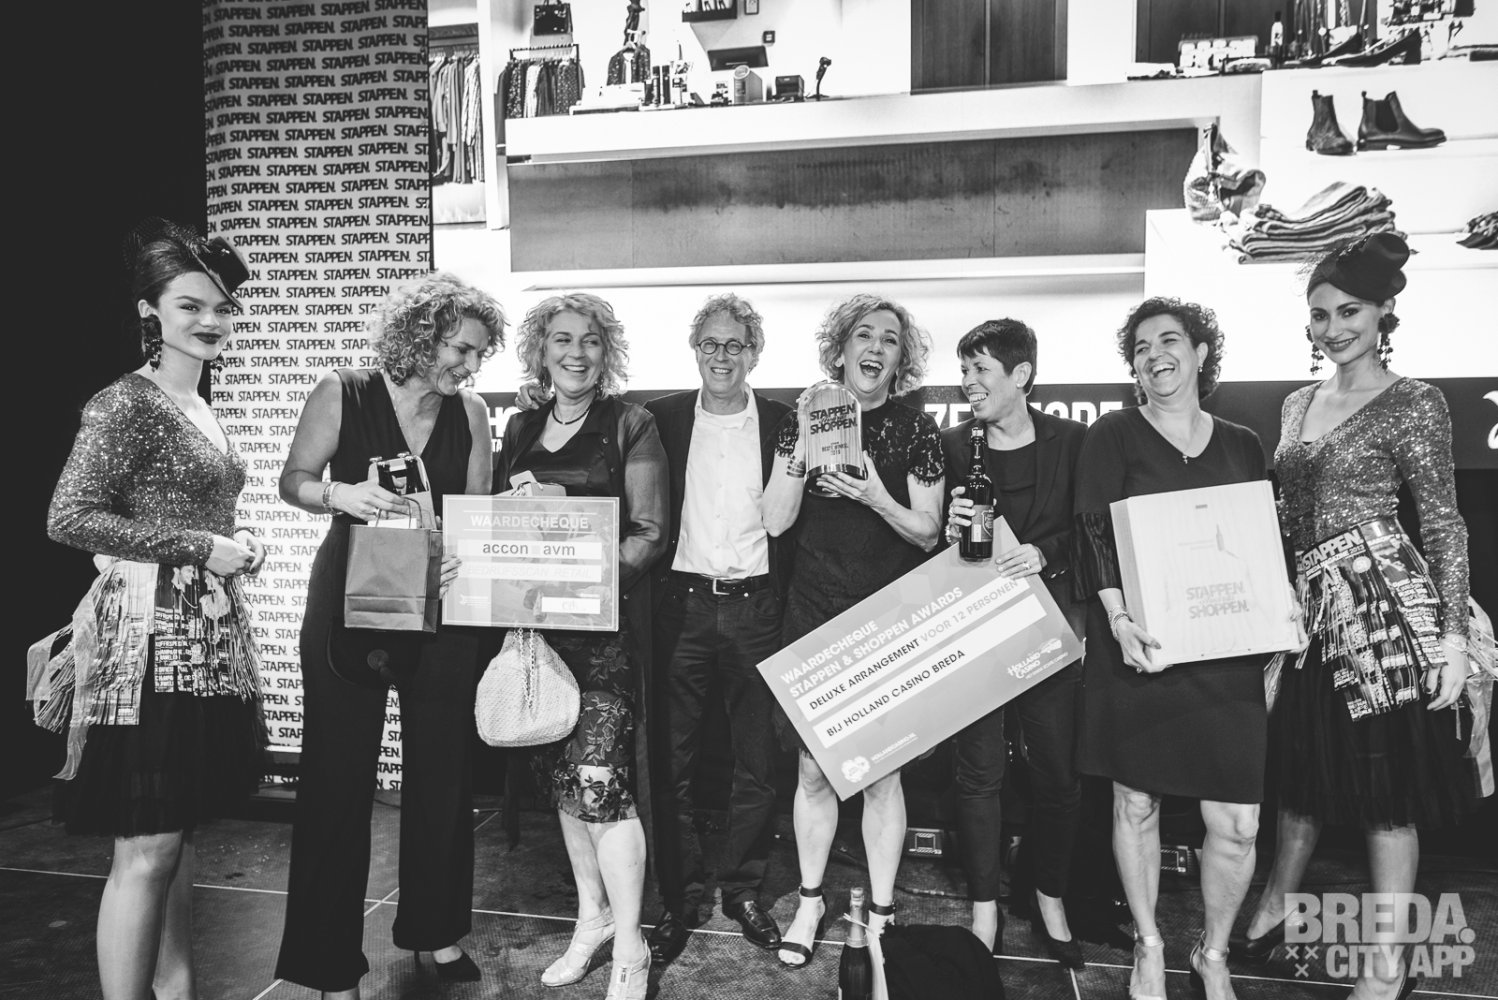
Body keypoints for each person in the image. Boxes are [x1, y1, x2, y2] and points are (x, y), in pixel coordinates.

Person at [1240, 234, 1470, 1000]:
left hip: (1382, 610)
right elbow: (1284, 511)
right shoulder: (1296, 402)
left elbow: (1443, 523)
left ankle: (1388, 959)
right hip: (1308, 613)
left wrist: (1453, 638)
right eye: (1320, 314)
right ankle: (1278, 901)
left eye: (1349, 312)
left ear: (1382, 313)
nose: (1333, 327)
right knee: (1303, 771)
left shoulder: (1415, 402)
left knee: (1385, 790)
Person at [41, 216, 266, 1000]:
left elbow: (175, 512)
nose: (211, 320)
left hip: (200, 643)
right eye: (190, 305)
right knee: (147, 850)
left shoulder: (197, 402)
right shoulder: (125, 403)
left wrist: (235, 542)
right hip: (145, 648)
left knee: (176, 842)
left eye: (222, 307)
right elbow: (69, 517)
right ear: (150, 312)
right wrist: (200, 546)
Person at [274, 273, 506, 998]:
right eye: (461, 349)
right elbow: (293, 479)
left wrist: (475, 542)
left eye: (480, 354)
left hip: (439, 605)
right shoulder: (343, 391)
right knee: (336, 778)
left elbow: (473, 509)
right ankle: (327, 963)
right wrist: (337, 493)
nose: (471, 366)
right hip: (350, 601)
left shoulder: (471, 412)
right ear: (420, 336)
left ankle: (436, 931)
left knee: (443, 774)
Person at [1072, 298, 1271, 1000]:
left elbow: (1258, 543)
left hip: (1226, 655)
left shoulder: (1244, 444)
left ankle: (1213, 953)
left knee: (1238, 824)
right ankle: (1149, 944)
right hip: (1141, 647)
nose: (1154, 355)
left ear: (1200, 352)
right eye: (1140, 347)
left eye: (1169, 340)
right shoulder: (1114, 436)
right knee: (1136, 805)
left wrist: (1280, 606)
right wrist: (1118, 619)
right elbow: (1092, 532)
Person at [492, 292, 667, 1000]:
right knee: (565, 790)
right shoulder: (521, 426)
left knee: (599, 783)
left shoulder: (631, 423)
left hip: (605, 639)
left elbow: (650, 535)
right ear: (541, 349)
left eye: (590, 340)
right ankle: (590, 920)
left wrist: (580, 568)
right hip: (540, 638)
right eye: (562, 339)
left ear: (607, 351)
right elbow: (499, 527)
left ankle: (631, 945)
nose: (576, 352)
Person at [762, 293, 945, 968]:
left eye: (889, 339)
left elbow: (927, 532)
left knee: (881, 773)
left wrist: (873, 494)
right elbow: (775, 520)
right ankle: (811, 901)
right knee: (813, 770)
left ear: (901, 359)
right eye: (863, 335)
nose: (875, 347)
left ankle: (881, 913)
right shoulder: (804, 420)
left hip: (886, 620)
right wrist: (799, 450)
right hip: (813, 612)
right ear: (840, 350)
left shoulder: (916, 430)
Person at [642, 293, 792, 964]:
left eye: (735, 345)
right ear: (694, 350)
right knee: (669, 761)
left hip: (759, 608)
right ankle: (679, 897)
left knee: (758, 761)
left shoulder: (786, 423)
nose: (722, 356)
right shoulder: (661, 419)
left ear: (754, 353)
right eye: (711, 344)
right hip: (683, 606)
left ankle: (743, 888)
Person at [940, 319, 1087, 966]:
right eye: (964, 370)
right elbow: (929, 543)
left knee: (1058, 776)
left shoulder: (1074, 443)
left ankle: (1049, 895)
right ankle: (984, 906)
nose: (968, 382)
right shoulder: (952, 446)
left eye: (980, 370)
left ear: (1021, 374)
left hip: (1051, 632)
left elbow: (1093, 527)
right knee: (978, 777)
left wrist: (1044, 553)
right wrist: (945, 529)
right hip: (977, 635)